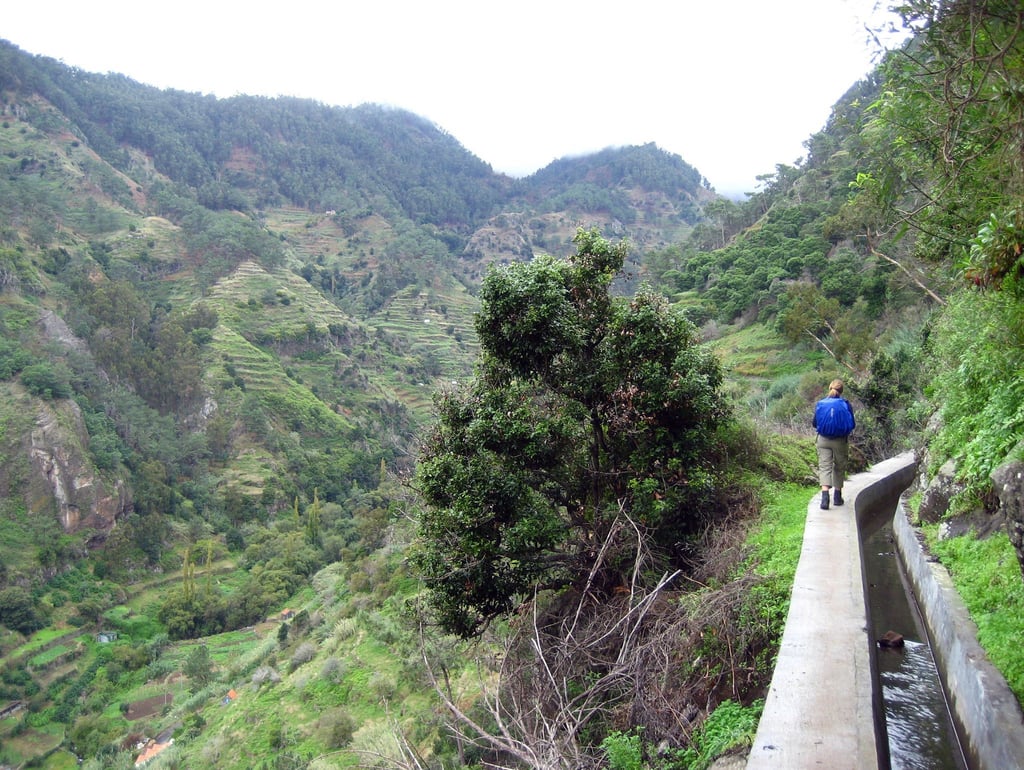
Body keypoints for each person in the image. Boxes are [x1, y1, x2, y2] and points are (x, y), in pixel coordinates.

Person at [813, 378, 855, 510]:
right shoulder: (845, 404)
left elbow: (814, 423)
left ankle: (825, 498)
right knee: (839, 466)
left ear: (829, 388)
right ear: (841, 391)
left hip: (823, 439)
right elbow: (852, 424)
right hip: (840, 440)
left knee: (824, 467)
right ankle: (837, 497)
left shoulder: (821, 403)